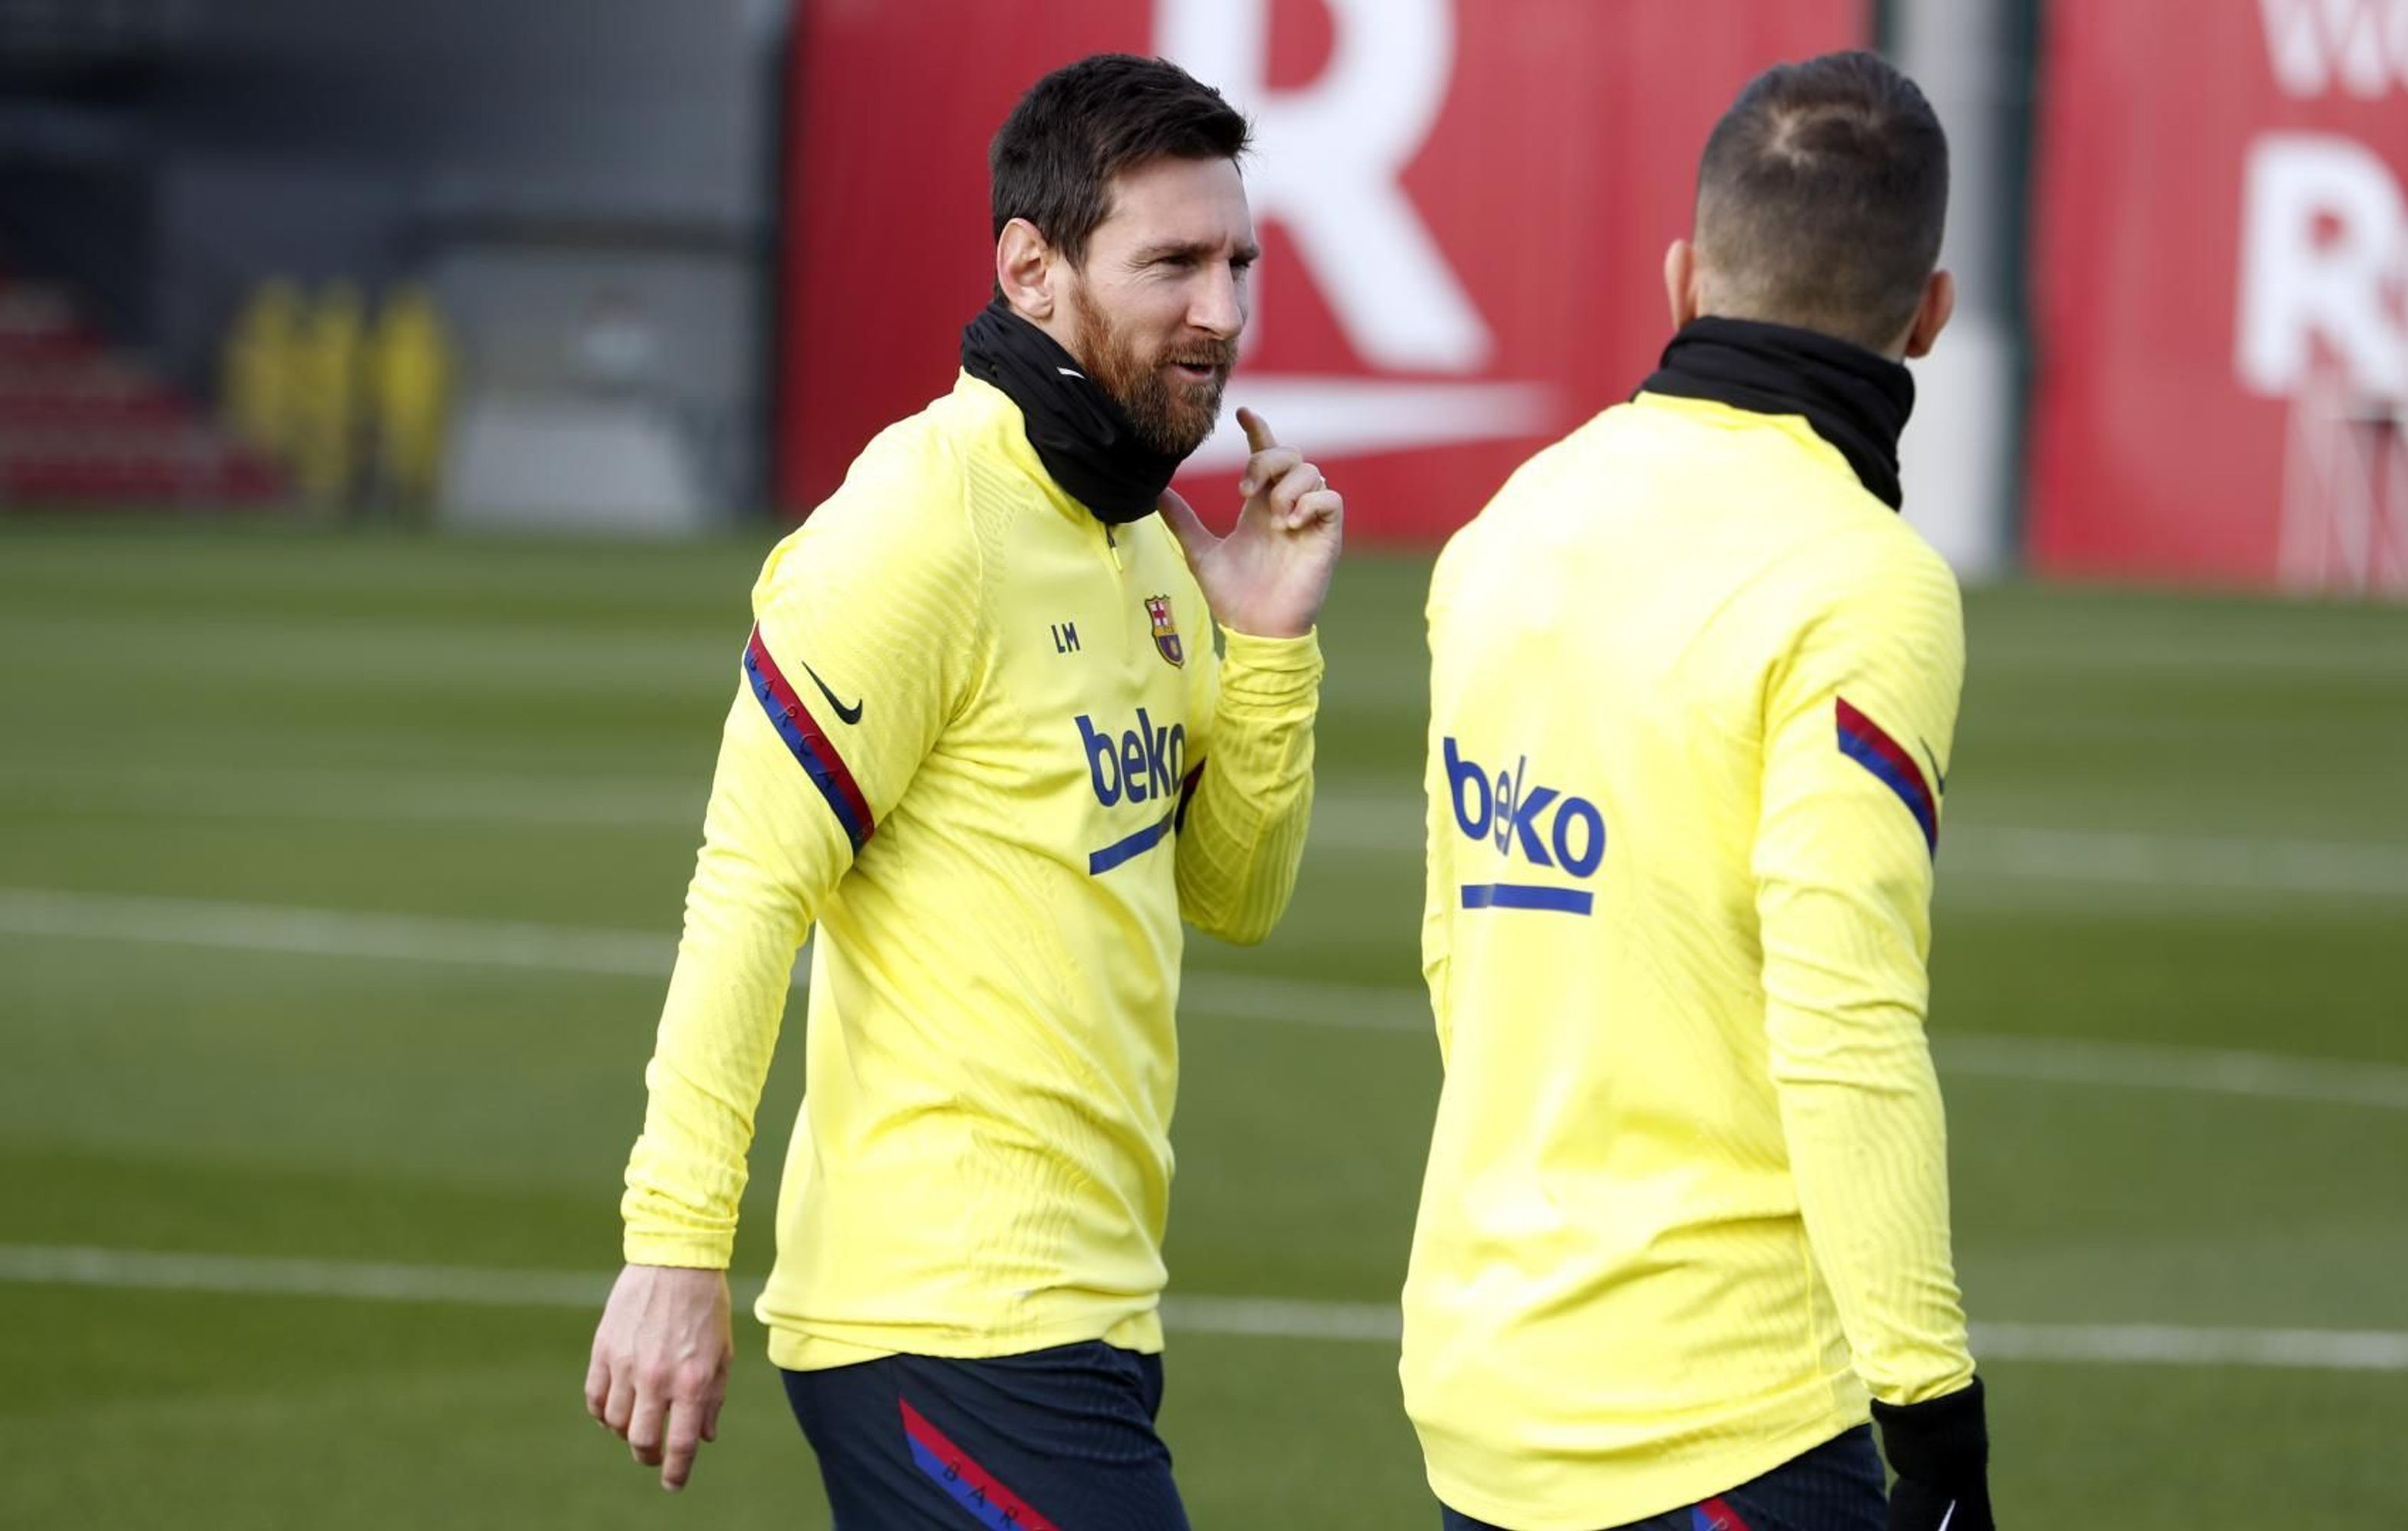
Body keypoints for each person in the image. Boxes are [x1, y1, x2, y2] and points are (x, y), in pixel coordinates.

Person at [582, 52, 1342, 1529]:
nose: (1225, 312)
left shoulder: (1143, 538)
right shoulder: (921, 524)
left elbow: (1233, 894)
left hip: (1089, 1309)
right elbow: (749, 885)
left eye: (1239, 260)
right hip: (946, 1318)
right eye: (1174, 264)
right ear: (1032, 268)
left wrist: (1265, 652)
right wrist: (674, 1250)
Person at [1401, 51, 1993, 1531]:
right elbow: (1845, 1018)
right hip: (1723, 1429)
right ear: (1932, 314)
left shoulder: (1507, 525)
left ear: (1682, 280)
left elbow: (1456, 955)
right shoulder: (1868, 582)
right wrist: (1934, 1421)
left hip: (1484, 1396)